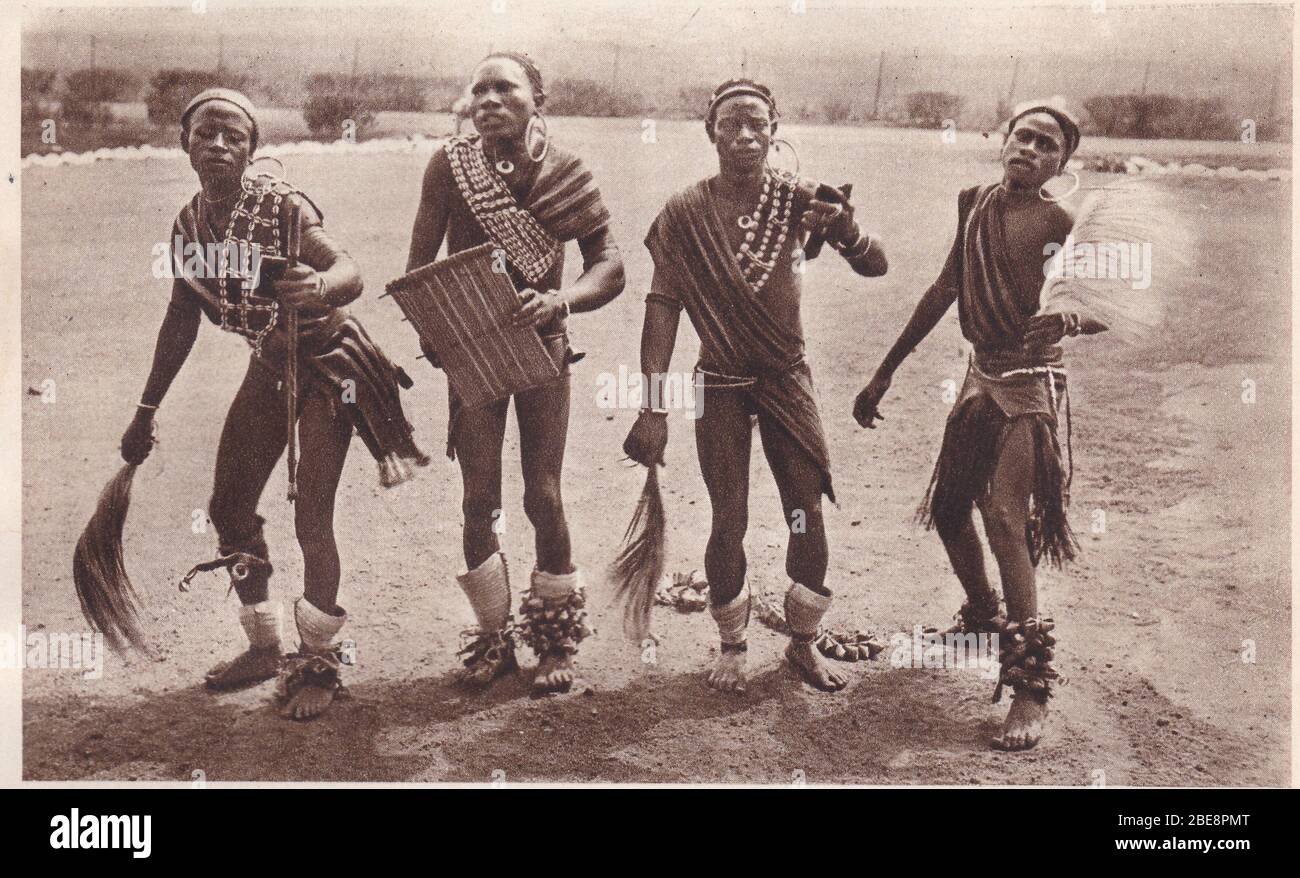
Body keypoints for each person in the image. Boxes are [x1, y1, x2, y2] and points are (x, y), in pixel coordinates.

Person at [121, 88, 427, 720]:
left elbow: (350, 269)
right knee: (228, 504)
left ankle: (317, 663)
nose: (218, 145)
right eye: (205, 133)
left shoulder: (283, 208)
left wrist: (319, 284)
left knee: (311, 514)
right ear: (185, 143)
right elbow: (181, 317)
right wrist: (146, 409)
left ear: (253, 150)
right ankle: (263, 645)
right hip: (270, 364)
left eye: (234, 136)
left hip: (329, 365)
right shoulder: (187, 228)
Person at [853, 99, 1106, 749]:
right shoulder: (974, 204)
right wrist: (884, 372)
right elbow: (943, 290)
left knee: (1003, 518)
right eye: (1023, 136)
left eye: (1047, 145)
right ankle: (981, 615)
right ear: (1002, 141)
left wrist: (1072, 319)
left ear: (1061, 163)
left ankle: (1029, 687)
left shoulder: (1063, 221)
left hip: (1029, 384)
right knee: (948, 510)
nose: (1030, 149)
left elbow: (1109, 305)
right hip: (979, 373)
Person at [622, 79, 887, 694]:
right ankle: (732, 646)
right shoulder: (684, 214)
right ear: (709, 130)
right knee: (728, 517)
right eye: (731, 123)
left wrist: (844, 229)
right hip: (719, 381)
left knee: (805, 512)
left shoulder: (801, 199)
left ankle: (802, 645)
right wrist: (652, 409)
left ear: (775, 129)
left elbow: (876, 264)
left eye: (757, 123)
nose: (745, 135)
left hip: (785, 378)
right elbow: (662, 309)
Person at [405, 52, 625, 694]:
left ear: (538, 99)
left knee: (542, 493)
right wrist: (437, 334)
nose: (491, 99)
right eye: (480, 89)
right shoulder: (449, 166)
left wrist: (560, 300)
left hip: (543, 348)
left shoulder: (565, 170)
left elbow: (609, 265)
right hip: (473, 349)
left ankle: (556, 641)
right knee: (479, 498)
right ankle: (494, 640)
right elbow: (418, 263)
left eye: (507, 88)